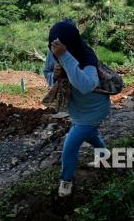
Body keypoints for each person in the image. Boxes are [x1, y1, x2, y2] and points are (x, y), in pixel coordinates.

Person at [43, 19, 110, 197]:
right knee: (91, 135)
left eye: (59, 47)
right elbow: (47, 72)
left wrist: (65, 57)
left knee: (71, 144)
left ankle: (66, 180)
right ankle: (105, 155)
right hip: (77, 108)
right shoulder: (55, 50)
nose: (55, 50)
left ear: (70, 44)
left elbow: (86, 86)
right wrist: (54, 76)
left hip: (94, 109)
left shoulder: (88, 57)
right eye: (53, 46)